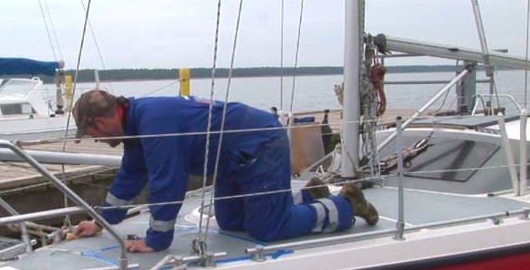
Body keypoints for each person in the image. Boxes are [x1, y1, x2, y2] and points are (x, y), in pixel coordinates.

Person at [71, 90, 378, 252]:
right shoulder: (138, 124)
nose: (97, 140)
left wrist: (156, 241)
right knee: (229, 221)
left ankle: (345, 204)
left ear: (99, 123)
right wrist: (100, 223)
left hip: (259, 143)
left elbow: (168, 183)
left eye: (93, 134)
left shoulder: (154, 123)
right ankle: (308, 195)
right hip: (232, 157)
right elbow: (130, 177)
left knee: (267, 229)